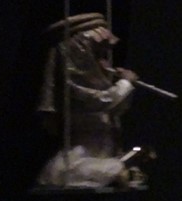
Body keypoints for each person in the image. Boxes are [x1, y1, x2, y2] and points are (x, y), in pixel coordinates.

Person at [36, 12, 139, 188]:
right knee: (76, 170)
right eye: (97, 53)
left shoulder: (95, 82)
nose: (103, 61)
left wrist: (124, 86)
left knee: (119, 167)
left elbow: (116, 109)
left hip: (103, 151)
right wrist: (125, 83)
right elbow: (102, 102)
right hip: (82, 154)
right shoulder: (72, 84)